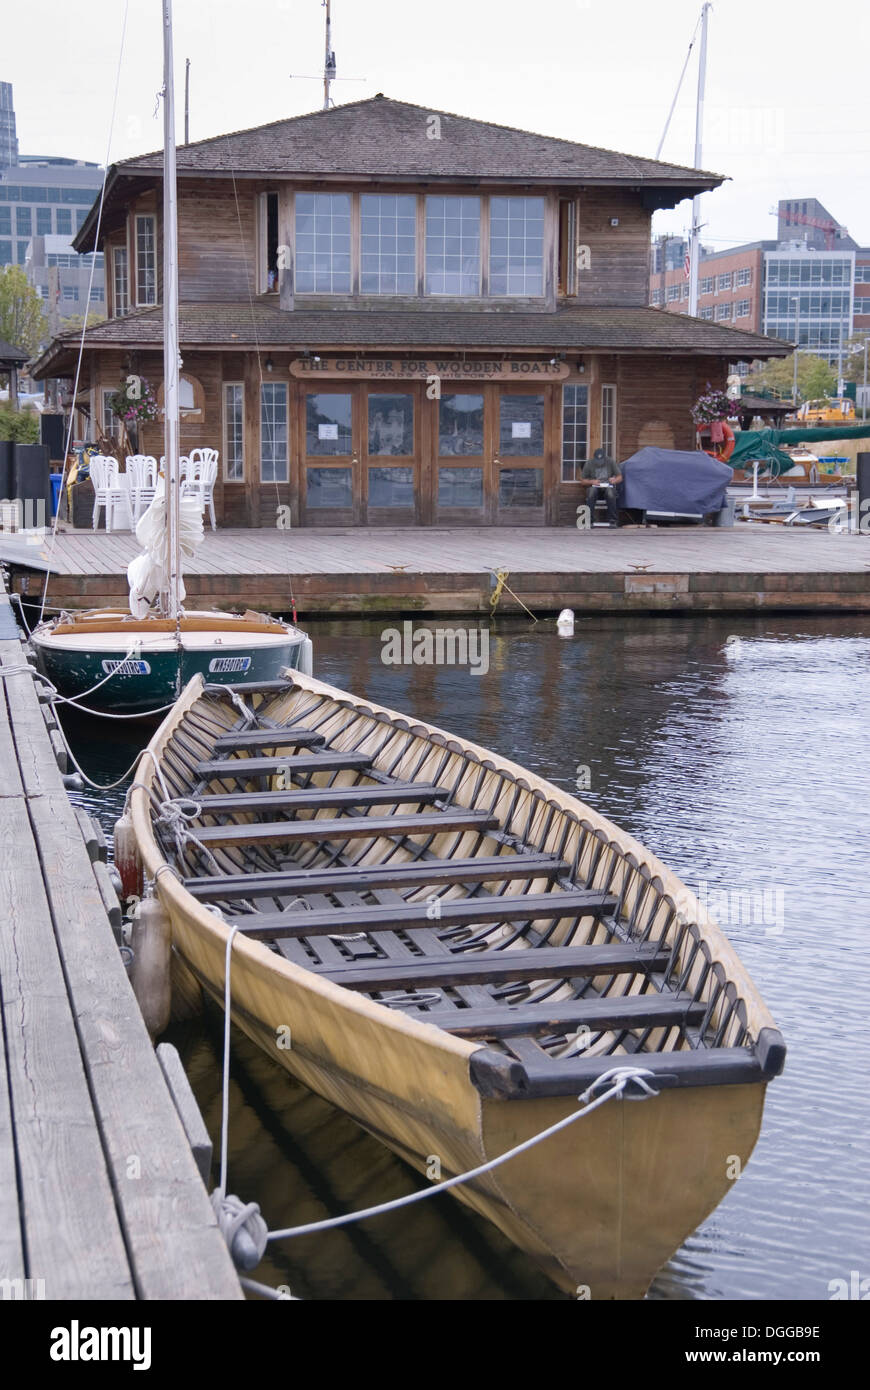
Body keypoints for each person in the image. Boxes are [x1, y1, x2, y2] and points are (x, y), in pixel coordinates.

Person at [581, 447, 623, 527]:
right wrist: (592, 481)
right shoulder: (589, 463)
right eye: (597, 461)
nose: (599, 463)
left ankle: (613, 520)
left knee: (610, 493)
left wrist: (613, 480)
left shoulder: (610, 462)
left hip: (607, 486)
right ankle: (589, 521)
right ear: (594, 458)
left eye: (601, 461)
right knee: (591, 492)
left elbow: (620, 477)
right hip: (595, 487)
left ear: (605, 457)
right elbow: (583, 481)